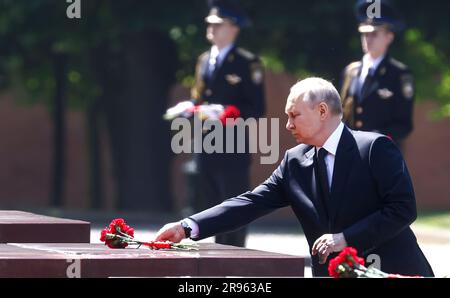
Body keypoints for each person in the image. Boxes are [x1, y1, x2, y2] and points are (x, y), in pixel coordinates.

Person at [156, 77, 434, 277]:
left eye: (294, 115)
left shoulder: (374, 148)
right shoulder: (294, 162)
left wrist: (346, 238)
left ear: (322, 111)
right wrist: (188, 227)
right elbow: (251, 202)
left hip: (392, 270)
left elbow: (402, 209)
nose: (288, 124)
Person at [185, 0, 266, 247]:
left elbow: (256, 109)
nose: (211, 27)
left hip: (232, 149)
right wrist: (190, 110)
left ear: (234, 28)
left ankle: (233, 264)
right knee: (203, 210)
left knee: (232, 210)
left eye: (218, 24)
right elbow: (199, 98)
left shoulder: (247, 63)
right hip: (205, 147)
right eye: (210, 23)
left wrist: (228, 113)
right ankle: (205, 262)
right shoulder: (203, 60)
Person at [340, 0, 414, 152]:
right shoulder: (350, 72)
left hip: (383, 156)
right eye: (365, 33)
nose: (368, 38)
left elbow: (404, 125)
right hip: (351, 155)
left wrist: (374, 139)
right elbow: (343, 115)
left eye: (374, 33)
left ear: (389, 36)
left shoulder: (399, 74)